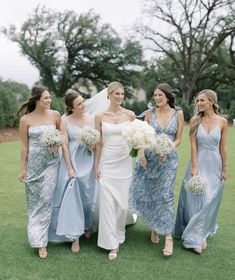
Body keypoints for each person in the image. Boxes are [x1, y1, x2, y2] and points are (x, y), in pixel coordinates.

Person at [129, 83, 184, 257]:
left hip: (168, 160)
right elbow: (144, 137)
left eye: (160, 95)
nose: (157, 98)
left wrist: (167, 149)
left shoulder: (179, 114)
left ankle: (168, 236)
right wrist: (142, 156)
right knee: (151, 192)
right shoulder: (149, 113)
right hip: (149, 159)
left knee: (166, 194)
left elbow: (178, 139)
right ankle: (155, 225)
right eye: (155, 95)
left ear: (168, 96)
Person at [174, 89, 228, 254]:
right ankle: (195, 238)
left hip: (215, 165)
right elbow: (193, 145)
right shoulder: (195, 120)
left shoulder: (222, 122)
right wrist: (194, 166)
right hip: (199, 162)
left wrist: (225, 168)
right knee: (199, 199)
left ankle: (200, 233)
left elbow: (223, 147)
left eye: (202, 100)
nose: (198, 103)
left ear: (211, 101)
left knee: (210, 199)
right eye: (197, 101)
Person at [48, 90, 98, 253]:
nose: (83, 105)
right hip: (73, 162)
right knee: (73, 199)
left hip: (89, 161)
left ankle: (87, 225)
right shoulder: (65, 121)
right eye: (79, 103)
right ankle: (74, 237)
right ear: (71, 107)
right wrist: (69, 167)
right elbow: (65, 145)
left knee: (89, 197)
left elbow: (99, 140)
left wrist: (92, 145)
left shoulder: (92, 119)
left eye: (83, 101)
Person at [18, 85, 61, 259]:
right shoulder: (26, 120)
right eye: (46, 98)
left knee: (46, 198)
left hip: (51, 163)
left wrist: (57, 144)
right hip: (33, 166)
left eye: (50, 97)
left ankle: (41, 243)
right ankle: (37, 235)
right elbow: (24, 146)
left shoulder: (55, 115)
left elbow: (62, 136)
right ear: (36, 99)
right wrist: (22, 168)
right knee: (34, 202)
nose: (49, 100)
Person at [94, 81, 135, 260]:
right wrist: (96, 164)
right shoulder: (100, 116)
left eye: (122, 94)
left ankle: (119, 230)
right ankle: (111, 244)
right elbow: (99, 142)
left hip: (124, 163)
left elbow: (135, 138)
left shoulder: (131, 115)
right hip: (107, 163)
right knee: (107, 204)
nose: (120, 97)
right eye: (117, 94)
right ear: (108, 95)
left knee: (122, 204)